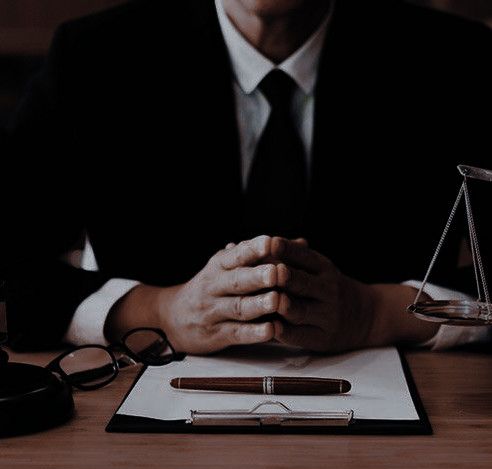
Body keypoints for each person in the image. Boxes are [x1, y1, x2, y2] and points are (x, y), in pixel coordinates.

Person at [4, 0, 492, 353]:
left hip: (406, 414)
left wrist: (374, 314)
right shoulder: (93, 57)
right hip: (145, 417)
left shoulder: (457, 59)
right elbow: (17, 268)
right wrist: (161, 311)